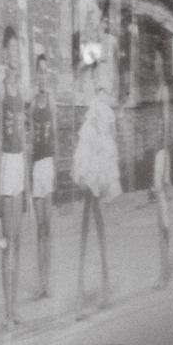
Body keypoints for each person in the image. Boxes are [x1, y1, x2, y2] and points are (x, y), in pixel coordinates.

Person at [71, 54, 120, 316]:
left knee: (93, 219)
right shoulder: (91, 74)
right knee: (89, 219)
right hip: (92, 149)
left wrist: (107, 163)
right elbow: (80, 73)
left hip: (99, 153)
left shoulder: (104, 81)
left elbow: (109, 123)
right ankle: (94, 283)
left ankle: (100, 282)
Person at [0, 25, 28, 327]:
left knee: (17, 240)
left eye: (18, 49)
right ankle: (5, 311)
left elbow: (23, 137)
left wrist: (26, 180)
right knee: (4, 242)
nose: (14, 54)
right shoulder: (1, 90)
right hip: (5, 165)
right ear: (5, 54)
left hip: (19, 165)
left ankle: (14, 309)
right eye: (10, 49)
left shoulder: (23, 90)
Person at [30, 48, 57, 297]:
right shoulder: (30, 105)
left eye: (45, 71)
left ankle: (47, 281)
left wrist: (56, 169)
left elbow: (56, 137)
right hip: (36, 168)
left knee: (47, 227)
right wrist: (29, 176)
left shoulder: (51, 100)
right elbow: (28, 142)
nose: (42, 75)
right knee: (39, 227)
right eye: (39, 71)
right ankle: (41, 282)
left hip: (48, 166)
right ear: (35, 74)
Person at [152, 69, 173, 288]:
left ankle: (164, 271)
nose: (155, 66)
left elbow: (167, 127)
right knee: (160, 216)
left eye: (158, 62)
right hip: (158, 154)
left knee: (163, 216)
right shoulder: (158, 91)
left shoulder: (164, 91)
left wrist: (166, 168)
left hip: (162, 155)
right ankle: (163, 268)